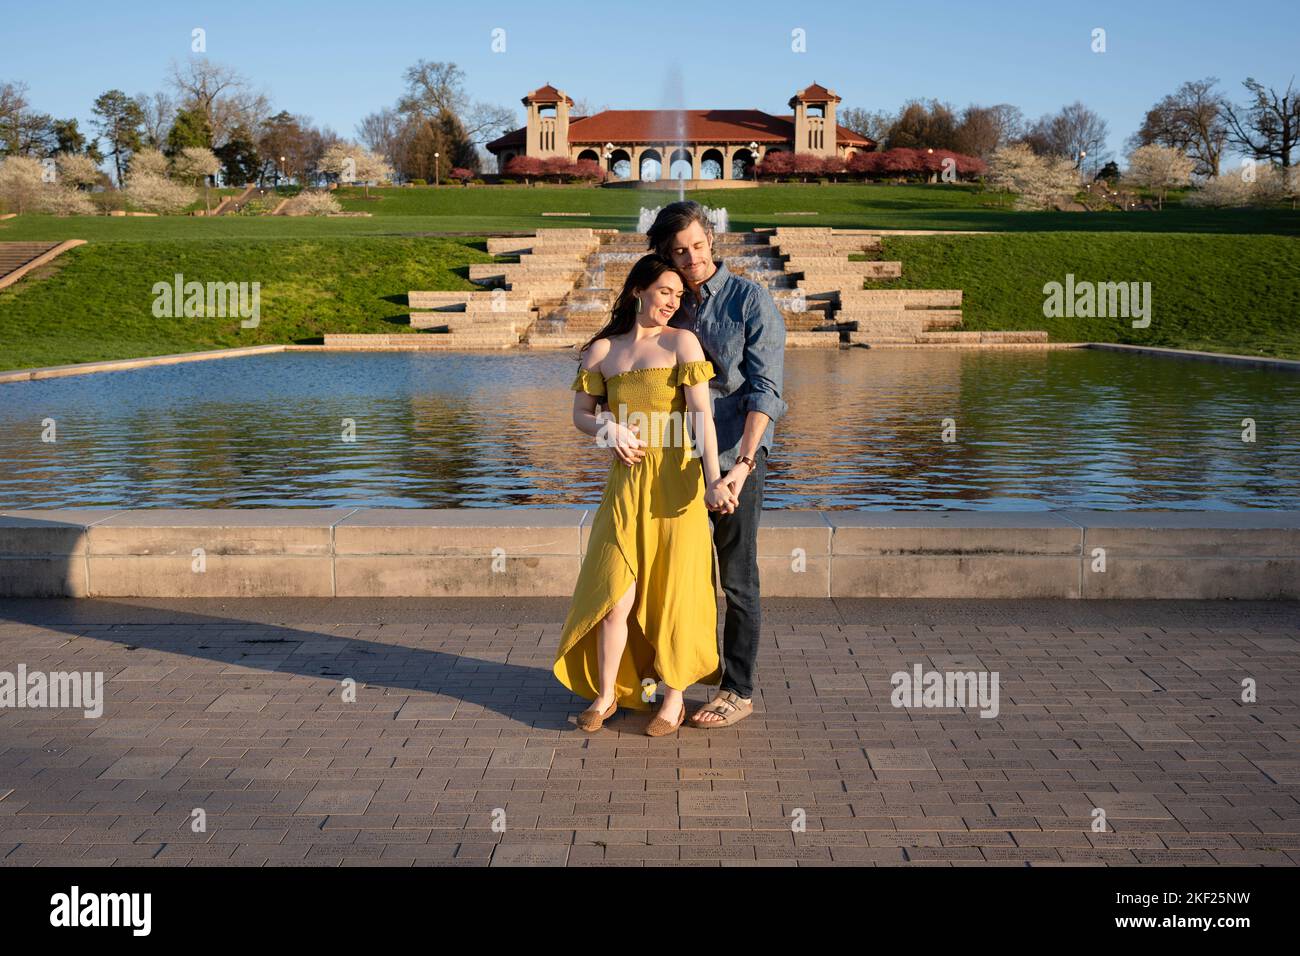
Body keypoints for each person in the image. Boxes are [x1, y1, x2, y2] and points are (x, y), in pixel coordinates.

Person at [554, 253, 737, 736]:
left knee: (676, 593)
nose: (673, 303)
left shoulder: (683, 344)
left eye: (679, 296)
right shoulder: (601, 352)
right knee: (615, 594)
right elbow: (580, 416)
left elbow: (701, 418)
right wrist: (606, 430)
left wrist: (715, 479)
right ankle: (606, 695)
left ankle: (672, 700)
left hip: (677, 484)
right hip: (626, 488)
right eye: (664, 292)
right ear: (638, 289)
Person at [650, 201, 789, 729]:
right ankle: (665, 681)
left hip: (734, 458)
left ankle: (737, 688)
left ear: (712, 240)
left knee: (736, 579)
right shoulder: (664, 300)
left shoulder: (750, 300)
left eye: (699, 247)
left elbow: (766, 390)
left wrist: (743, 465)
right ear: (665, 252)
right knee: (668, 576)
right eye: (680, 251)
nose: (692, 260)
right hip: (671, 460)